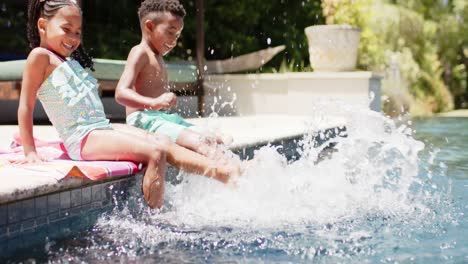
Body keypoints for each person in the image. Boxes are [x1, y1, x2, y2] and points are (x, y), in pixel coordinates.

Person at [18, 0, 240, 209]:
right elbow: (26, 106)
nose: (73, 37)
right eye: (66, 29)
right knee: (155, 152)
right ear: (43, 25)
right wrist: (30, 152)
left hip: (99, 129)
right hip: (82, 139)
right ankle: (155, 218)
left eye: (77, 32)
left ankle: (223, 173)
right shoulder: (40, 56)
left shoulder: (68, 61)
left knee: (161, 139)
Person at [115, 0, 230, 160]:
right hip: (144, 121)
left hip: (162, 119)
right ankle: (233, 172)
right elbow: (121, 93)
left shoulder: (157, 56)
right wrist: (153, 103)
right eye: (170, 32)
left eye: (177, 35)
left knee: (215, 139)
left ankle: (230, 172)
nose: (175, 40)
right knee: (201, 143)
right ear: (150, 26)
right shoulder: (140, 52)